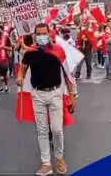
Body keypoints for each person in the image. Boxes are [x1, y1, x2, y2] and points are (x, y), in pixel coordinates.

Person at [16, 23, 77, 176]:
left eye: (44, 33)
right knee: (42, 130)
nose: (42, 36)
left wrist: (72, 94)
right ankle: (46, 163)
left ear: (50, 34)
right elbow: (22, 69)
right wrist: (19, 77)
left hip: (55, 93)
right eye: (39, 34)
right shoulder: (30, 52)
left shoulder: (58, 50)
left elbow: (68, 74)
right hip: (37, 94)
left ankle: (60, 158)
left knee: (56, 130)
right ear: (35, 35)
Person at [0, 25, 12, 93]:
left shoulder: (6, 38)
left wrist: (4, 47)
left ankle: (6, 86)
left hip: (4, 59)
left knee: (4, 74)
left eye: (0, 30)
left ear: (3, 31)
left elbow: (11, 48)